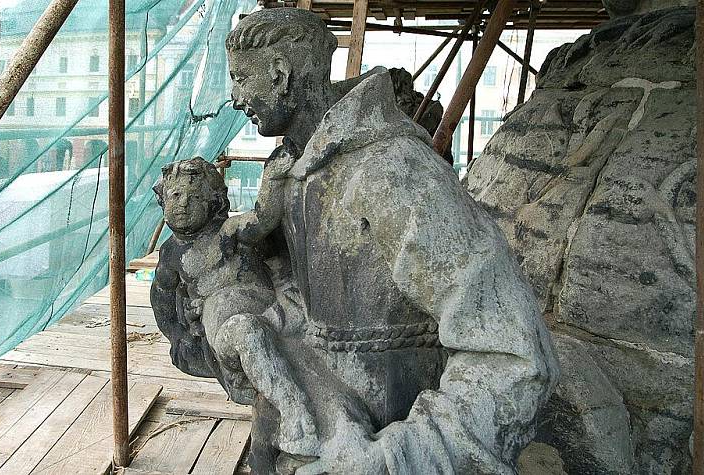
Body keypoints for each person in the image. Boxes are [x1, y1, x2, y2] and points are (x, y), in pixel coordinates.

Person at [223, 8, 560, 474]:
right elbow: (322, 301)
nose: (234, 98)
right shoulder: (294, 171)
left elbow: (513, 358)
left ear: (280, 76)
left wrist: (391, 460)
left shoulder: (392, 173)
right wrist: (264, 328)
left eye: (241, 79)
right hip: (324, 425)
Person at [151, 156, 319, 456]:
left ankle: (283, 424)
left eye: (194, 197)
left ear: (214, 202)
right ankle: (294, 410)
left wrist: (273, 179)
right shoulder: (172, 252)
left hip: (271, 314)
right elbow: (161, 296)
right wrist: (178, 333)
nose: (183, 204)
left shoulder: (230, 232)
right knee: (246, 332)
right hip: (228, 329)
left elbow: (263, 221)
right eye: (175, 195)